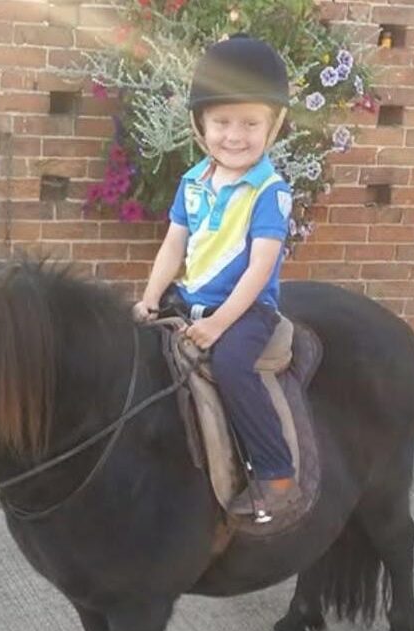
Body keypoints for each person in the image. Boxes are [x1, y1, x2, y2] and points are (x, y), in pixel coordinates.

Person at [132, 34, 300, 517]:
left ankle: (275, 472)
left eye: (251, 123)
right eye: (222, 122)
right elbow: (173, 245)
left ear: (275, 125)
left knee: (230, 366)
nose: (235, 135)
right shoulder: (193, 182)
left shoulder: (270, 191)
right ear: (199, 124)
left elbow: (260, 267)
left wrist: (221, 323)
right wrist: (150, 297)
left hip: (246, 310)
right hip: (191, 297)